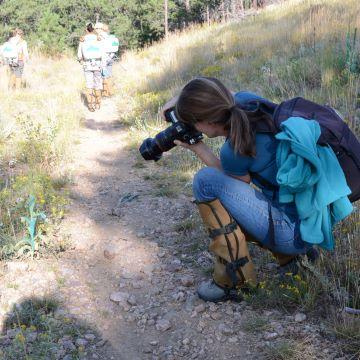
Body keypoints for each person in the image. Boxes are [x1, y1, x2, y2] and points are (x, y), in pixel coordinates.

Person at [162, 77, 353, 303]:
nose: (193, 129)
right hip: (312, 221)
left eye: (193, 124)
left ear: (208, 121)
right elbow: (217, 93)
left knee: (205, 181)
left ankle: (232, 278)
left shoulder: (233, 151)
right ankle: (295, 259)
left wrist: (198, 148)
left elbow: (229, 187)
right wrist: (183, 100)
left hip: (292, 234)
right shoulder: (248, 100)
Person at [77, 23, 106, 112]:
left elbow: (79, 55)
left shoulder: (82, 40)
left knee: (89, 85)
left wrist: (81, 62)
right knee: (98, 84)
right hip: (97, 65)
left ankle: (90, 105)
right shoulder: (99, 39)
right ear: (93, 29)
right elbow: (103, 53)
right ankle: (98, 103)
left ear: (86, 29)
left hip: (87, 65)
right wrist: (103, 65)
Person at [95, 23, 119, 97]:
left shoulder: (100, 37)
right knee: (109, 75)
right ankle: (110, 91)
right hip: (111, 57)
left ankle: (107, 93)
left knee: (103, 76)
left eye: (96, 29)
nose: (95, 30)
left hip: (104, 58)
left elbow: (99, 49)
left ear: (100, 29)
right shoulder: (109, 36)